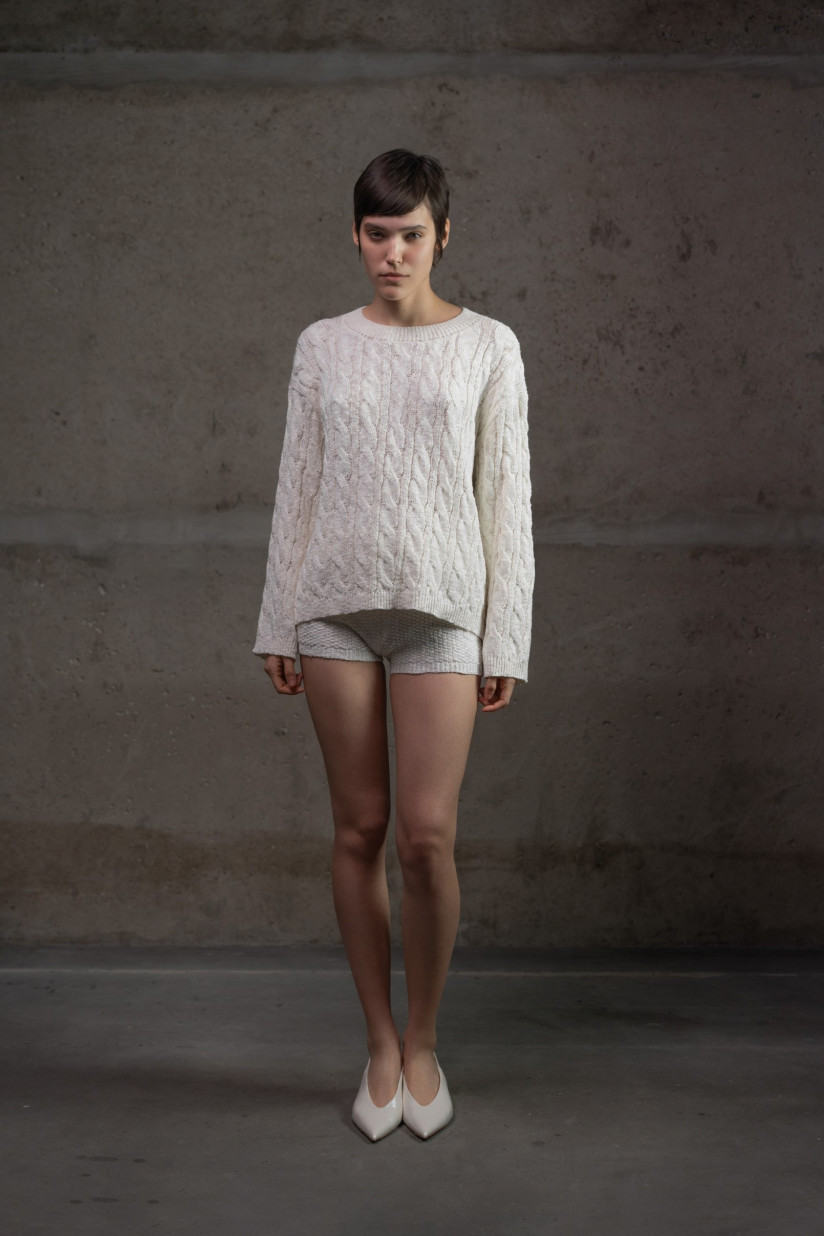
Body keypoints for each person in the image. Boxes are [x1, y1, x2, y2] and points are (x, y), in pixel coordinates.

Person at [253, 148, 535, 1140]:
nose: (392, 253)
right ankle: (378, 1043)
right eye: (376, 234)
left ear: (441, 235)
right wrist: (275, 618)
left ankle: (423, 1041)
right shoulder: (322, 345)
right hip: (330, 606)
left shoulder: (488, 345)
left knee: (425, 836)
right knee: (358, 828)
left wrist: (506, 637)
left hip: (444, 609)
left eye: (410, 234)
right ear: (357, 236)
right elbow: (297, 485)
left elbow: (507, 498)